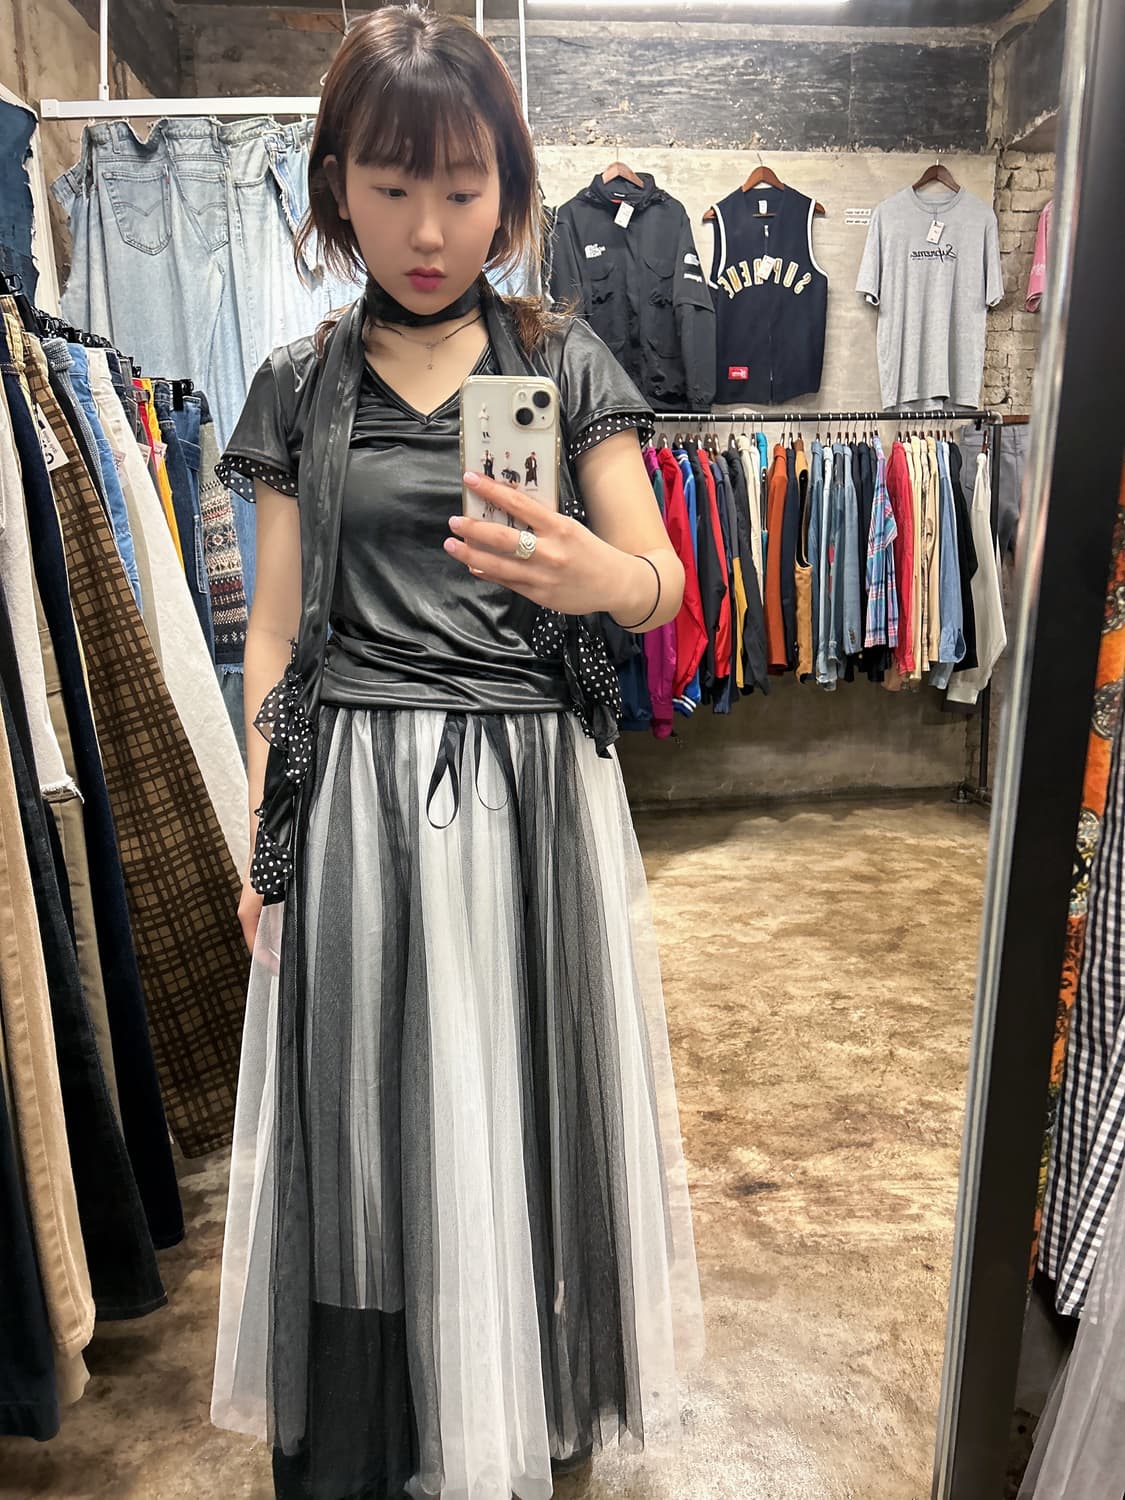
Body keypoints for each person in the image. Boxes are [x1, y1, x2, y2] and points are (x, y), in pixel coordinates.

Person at [209, 8, 703, 1499]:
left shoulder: (558, 362)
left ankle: (518, 1408)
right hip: (353, 794)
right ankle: (373, 1434)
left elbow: (663, 583)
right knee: (364, 1128)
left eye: (463, 187)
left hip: (531, 789)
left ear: (510, 190)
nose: (428, 231)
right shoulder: (300, 385)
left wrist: (595, 577)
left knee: (522, 1103)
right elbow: (276, 635)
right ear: (335, 188)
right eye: (391, 186)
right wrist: (268, 832)